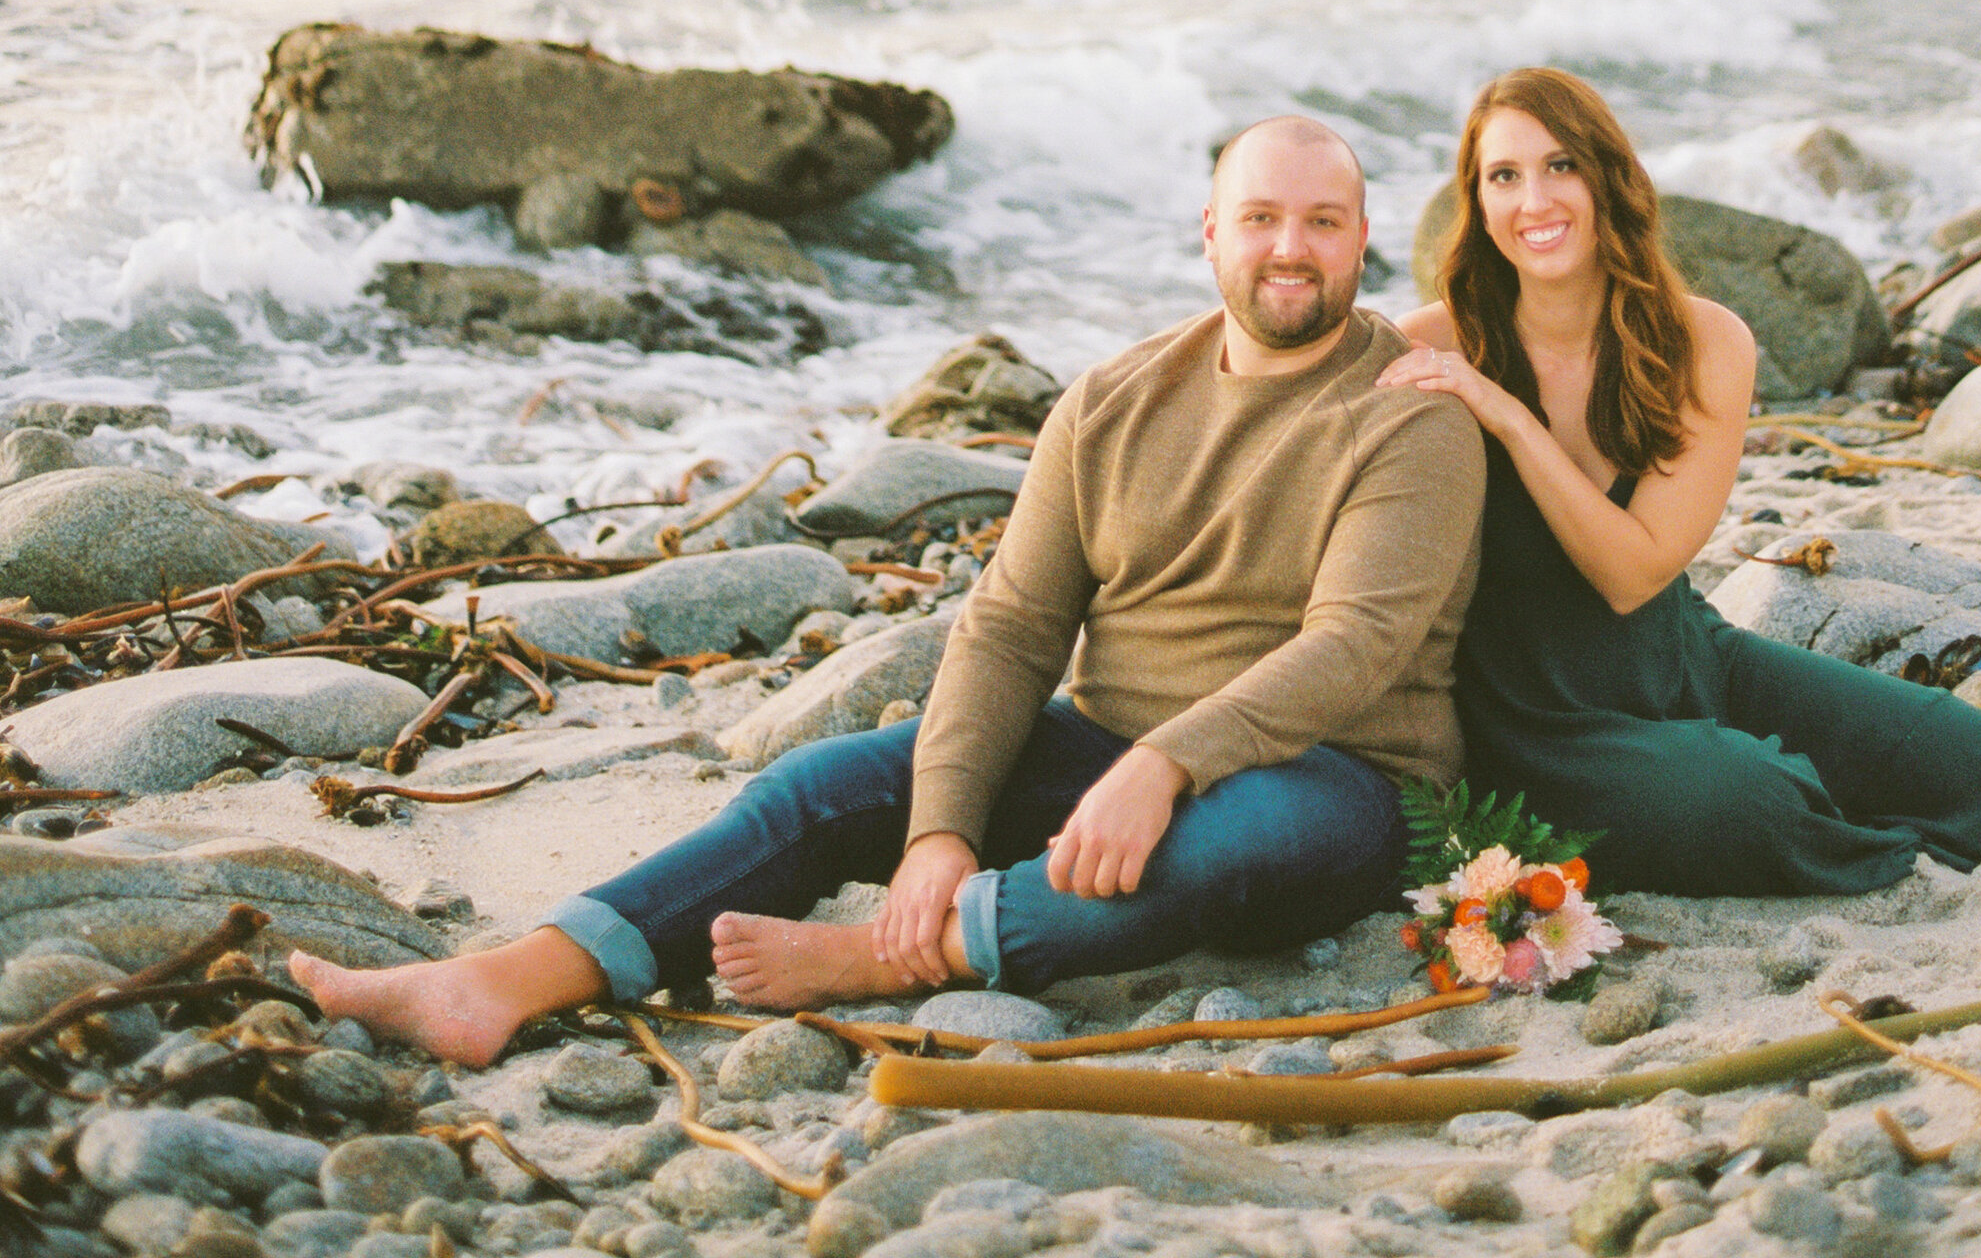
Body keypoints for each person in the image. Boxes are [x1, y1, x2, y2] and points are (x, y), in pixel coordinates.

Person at [295, 113, 1487, 1063]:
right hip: (1111, 746)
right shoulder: (1114, 399)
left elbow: (1354, 645)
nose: (1292, 247)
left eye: (1323, 222)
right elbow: (1014, 627)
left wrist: (1164, 768)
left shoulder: (1409, 417)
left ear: (1364, 235)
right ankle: (505, 981)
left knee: (1231, 844)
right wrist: (940, 834)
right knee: (822, 784)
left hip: (1338, 782)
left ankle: (891, 957)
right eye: (1262, 217)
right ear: (1209, 233)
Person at [1376, 66, 1981, 897]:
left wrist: (1512, 423)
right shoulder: (1427, 347)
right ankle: (1753, 796)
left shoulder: (1704, 342)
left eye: (1561, 165)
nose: (1535, 200)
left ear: (1609, 178)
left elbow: (1633, 574)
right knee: (1751, 802)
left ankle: (1743, 774)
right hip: (1531, 720)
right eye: (1504, 176)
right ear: (1477, 203)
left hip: (1682, 660)